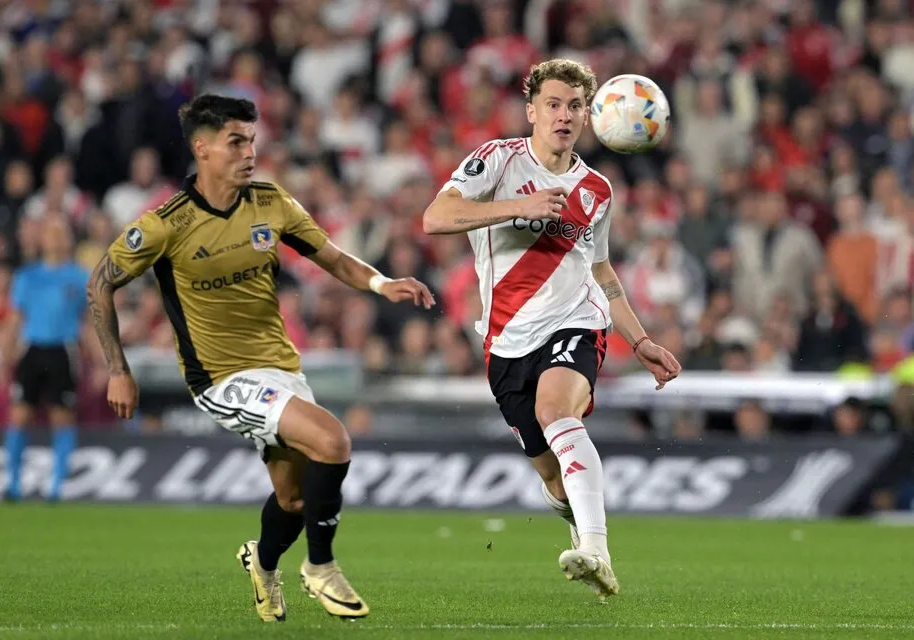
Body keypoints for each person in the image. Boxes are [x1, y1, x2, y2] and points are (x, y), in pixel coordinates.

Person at [86, 95, 433, 622]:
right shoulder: (165, 225)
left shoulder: (271, 203)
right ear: (202, 148)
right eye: (236, 141)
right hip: (220, 378)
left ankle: (262, 563)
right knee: (332, 439)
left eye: (252, 139)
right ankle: (321, 566)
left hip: (281, 368)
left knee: (293, 501)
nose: (250, 151)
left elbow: (334, 258)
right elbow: (100, 284)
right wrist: (118, 368)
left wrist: (382, 284)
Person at [422, 59, 682, 599]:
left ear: (589, 115)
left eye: (574, 106)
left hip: (575, 321)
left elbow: (602, 270)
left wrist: (640, 339)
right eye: (554, 105)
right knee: (550, 477)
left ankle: (596, 549)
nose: (564, 116)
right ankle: (576, 519)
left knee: (554, 410)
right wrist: (522, 206)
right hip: (506, 342)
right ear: (532, 111)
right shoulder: (497, 160)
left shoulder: (597, 190)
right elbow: (436, 217)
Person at [0, 216, 89, 502]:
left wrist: (105, 363)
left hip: (63, 350)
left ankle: (57, 487)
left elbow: (89, 322)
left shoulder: (79, 277)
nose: (53, 238)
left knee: (62, 418)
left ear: (68, 240)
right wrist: (4, 358)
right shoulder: (27, 276)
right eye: (49, 233)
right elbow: (15, 319)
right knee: (19, 416)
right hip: (32, 349)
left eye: (59, 233)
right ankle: (13, 484)